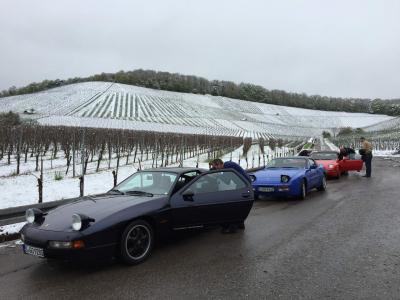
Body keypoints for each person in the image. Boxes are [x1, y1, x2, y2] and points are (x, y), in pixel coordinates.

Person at [209, 158, 250, 233]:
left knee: (235, 205)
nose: (215, 168)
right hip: (241, 183)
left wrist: (216, 176)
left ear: (219, 164)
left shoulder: (228, 166)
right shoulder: (227, 164)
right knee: (238, 205)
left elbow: (227, 181)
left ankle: (233, 227)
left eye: (215, 166)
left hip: (244, 183)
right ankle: (240, 224)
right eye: (214, 167)